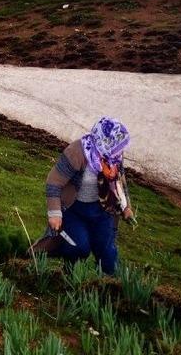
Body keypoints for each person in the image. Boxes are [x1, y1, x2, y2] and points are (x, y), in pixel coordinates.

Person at [37, 117, 134, 275]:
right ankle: (70, 275)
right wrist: (54, 213)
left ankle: (109, 285)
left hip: (103, 210)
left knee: (107, 253)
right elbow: (54, 182)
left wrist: (126, 207)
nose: (118, 149)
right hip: (74, 210)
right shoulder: (76, 152)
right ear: (102, 139)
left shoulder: (113, 155)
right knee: (78, 247)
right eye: (115, 144)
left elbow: (119, 182)